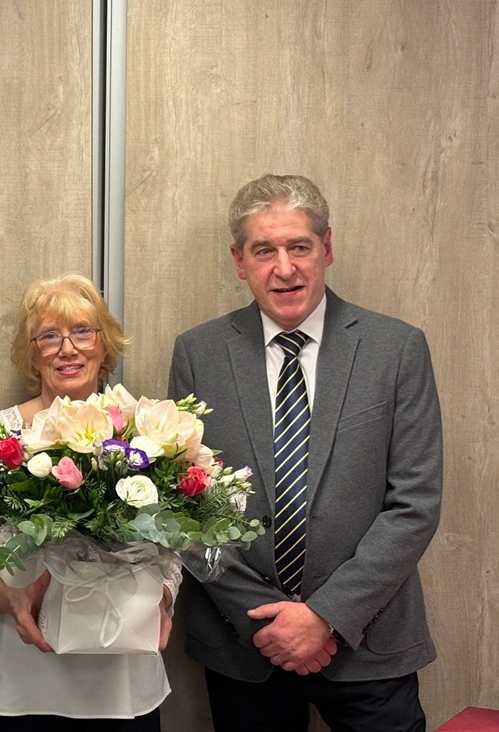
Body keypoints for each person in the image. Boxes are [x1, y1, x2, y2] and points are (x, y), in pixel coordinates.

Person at [168, 174, 442, 731]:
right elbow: (183, 509)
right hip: (246, 645)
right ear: (239, 261)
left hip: (370, 644)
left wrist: (326, 616)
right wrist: (265, 622)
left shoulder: (396, 349)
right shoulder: (199, 353)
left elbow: (414, 504)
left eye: (299, 246)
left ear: (327, 248)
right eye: (263, 250)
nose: (285, 268)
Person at [0, 273, 181, 732]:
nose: (67, 348)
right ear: (31, 353)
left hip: (121, 674)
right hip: (19, 674)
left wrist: (162, 597)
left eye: (82, 331)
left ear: (105, 344)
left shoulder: (147, 434)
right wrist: (12, 600)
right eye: (49, 336)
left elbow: (171, 546)